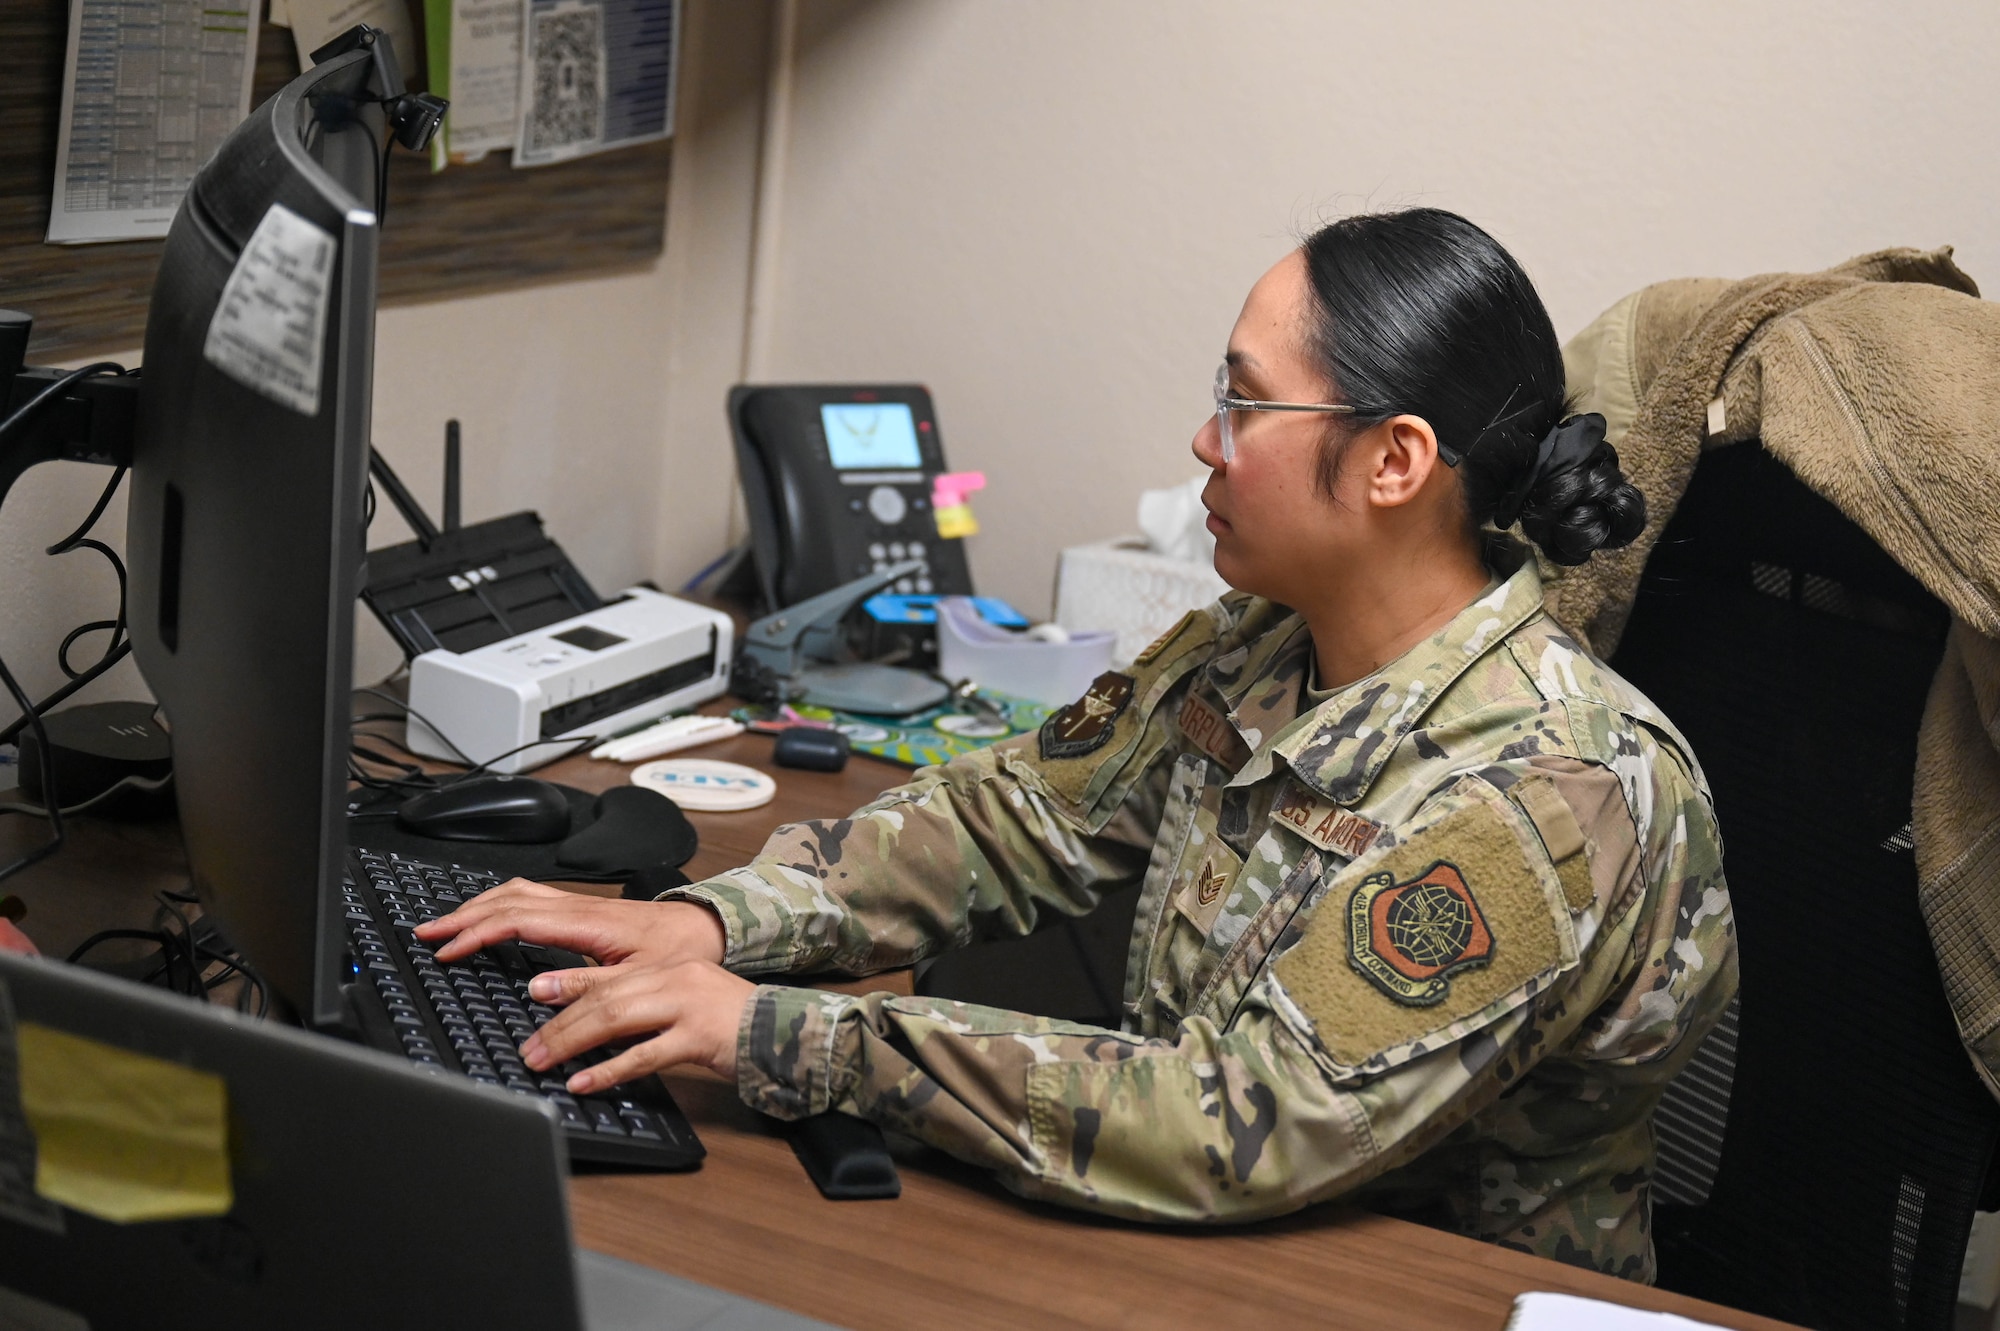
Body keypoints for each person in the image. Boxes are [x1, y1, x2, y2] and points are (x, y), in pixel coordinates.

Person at [419, 208, 1735, 1281]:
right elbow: (1008, 821)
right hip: (1201, 1250)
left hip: (1408, 1289)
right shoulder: (1264, 639)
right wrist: (717, 928)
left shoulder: (1554, 789)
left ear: (1394, 462)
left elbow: (1234, 1125)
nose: (1202, 441)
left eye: (1244, 403)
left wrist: (782, 1037)